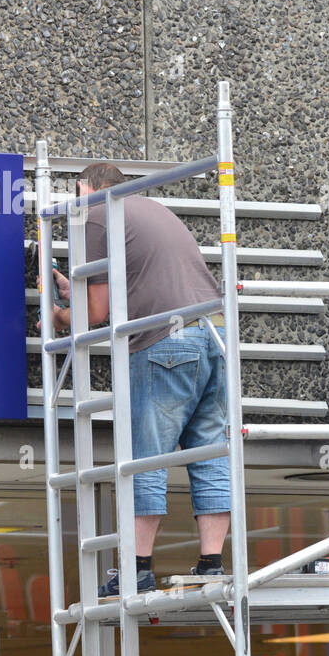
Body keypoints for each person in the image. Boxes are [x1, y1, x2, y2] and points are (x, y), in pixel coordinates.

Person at [46, 163, 232, 595]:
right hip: (215, 334)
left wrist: (56, 315)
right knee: (210, 450)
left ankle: (137, 568)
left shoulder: (93, 212)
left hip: (165, 340)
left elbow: (94, 314)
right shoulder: (151, 208)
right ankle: (211, 564)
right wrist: (73, 285)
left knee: (145, 455)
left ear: (83, 187)